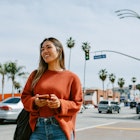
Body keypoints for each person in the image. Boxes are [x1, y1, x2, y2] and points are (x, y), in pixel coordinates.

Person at [21, 37, 83, 140]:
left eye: (48, 47)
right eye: (42, 49)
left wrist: (60, 104)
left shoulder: (72, 78)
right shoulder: (35, 75)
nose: (44, 51)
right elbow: (25, 97)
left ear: (59, 51)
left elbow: (77, 104)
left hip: (61, 130)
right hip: (37, 129)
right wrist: (35, 102)